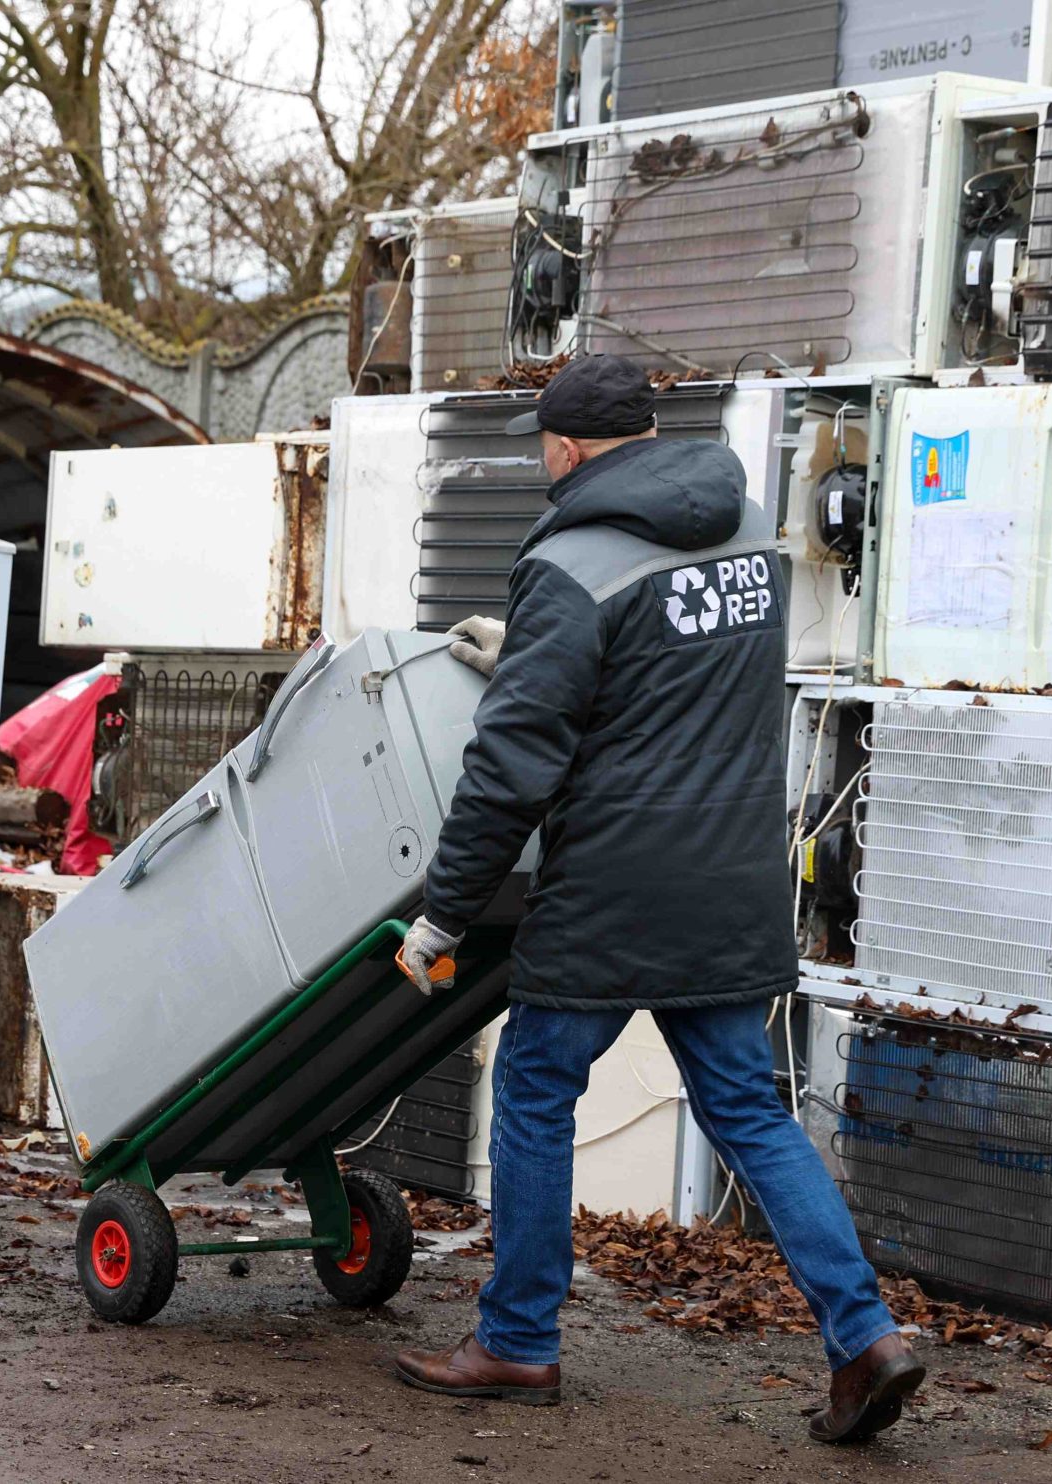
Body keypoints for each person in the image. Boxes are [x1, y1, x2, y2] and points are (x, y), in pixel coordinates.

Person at [389, 355, 922, 1444]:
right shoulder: (749, 530)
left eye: (544, 445)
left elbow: (512, 764)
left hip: (612, 885)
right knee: (751, 1115)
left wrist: (443, 913)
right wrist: (538, 657)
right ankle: (865, 1335)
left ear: (569, 449)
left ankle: (518, 1340)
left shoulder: (570, 557)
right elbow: (670, 682)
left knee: (537, 1088)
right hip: (729, 876)